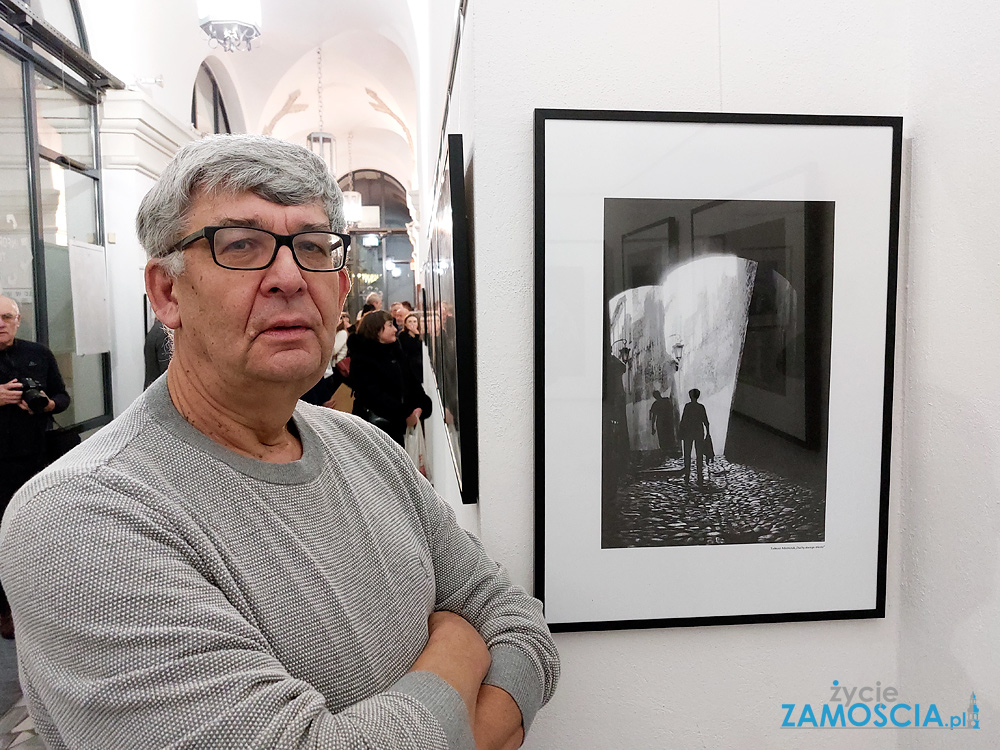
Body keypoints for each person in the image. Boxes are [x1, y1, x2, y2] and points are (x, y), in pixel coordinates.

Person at [0, 134, 558, 750]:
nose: (290, 278)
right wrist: (456, 642)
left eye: (314, 247)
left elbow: (522, 627)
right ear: (167, 292)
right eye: (241, 245)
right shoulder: (83, 517)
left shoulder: (367, 450)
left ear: (340, 285)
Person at [0, 295, 70, 639]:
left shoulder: (38, 354)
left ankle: (34, 599)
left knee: (34, 531)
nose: (1, 323)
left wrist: (47, 405)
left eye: (6, 316)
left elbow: (62, 396)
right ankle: (6, 608)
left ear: (18, 319)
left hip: (34, 458)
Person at [349, 309, 431, 445]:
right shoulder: (362, 358)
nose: (395, 329)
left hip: (396, 427)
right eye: (389, 325)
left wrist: (420, 405)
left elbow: (411, 381)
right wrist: (404, 414)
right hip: (375, 430)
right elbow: (372, 395)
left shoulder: (396, 352)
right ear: (376, 330)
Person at [679, 387, 711, 485]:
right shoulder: (701, 407)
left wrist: (681, 432)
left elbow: (683, 420)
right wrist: (708, 433)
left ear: (690, 396)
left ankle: (687, 471)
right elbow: (706, 421)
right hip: (699, 432)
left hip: (688, 432)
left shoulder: (687, 406)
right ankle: (699, 473)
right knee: (699, 453)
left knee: (687, 453)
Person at [649, 389, 677, 459]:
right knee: (668, 436)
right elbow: (671, 411)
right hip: (667, 422)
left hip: (661, 422)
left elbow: (653, 417)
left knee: (662, 437)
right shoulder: (666, 401)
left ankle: (665, 451)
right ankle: (669, 451)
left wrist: (653, 427)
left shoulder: (656, 404)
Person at [143, 317, 171, 388]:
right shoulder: (164, 334)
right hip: (160, 390)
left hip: (152, 388)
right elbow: (167, 372)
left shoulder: (154, 331)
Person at [399, 311, 424, 384]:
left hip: (419, 365)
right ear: (405, 324)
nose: (412, 324)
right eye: (409, 322)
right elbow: (411, 348)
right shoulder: (402, 335)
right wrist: (416, 336)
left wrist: (417, 335)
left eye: (414, 321)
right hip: (408, 365)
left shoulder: (421, 335)